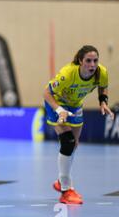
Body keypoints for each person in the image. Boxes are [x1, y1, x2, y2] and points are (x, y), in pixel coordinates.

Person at [43, 45, 114, 205]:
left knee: (74, 144)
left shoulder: (101, 72)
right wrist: (60, 109)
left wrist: (103, 101)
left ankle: (61, 181)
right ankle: (66, 190)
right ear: (80, 61)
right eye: (88, 61)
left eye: (95, 61)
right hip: (57, 103)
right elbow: (46, 93)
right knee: (67, 142)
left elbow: (103, 87)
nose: (92, 65)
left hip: (75, 105)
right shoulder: (68, 73)